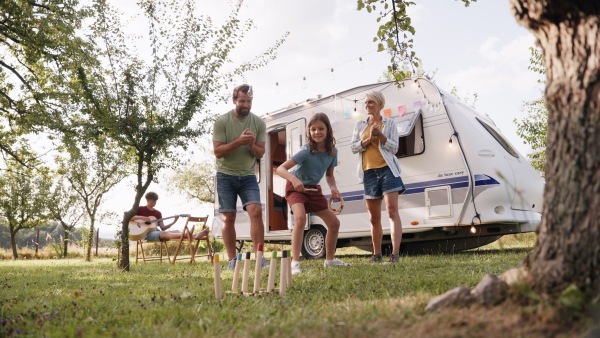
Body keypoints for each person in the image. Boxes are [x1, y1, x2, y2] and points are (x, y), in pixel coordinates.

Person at [277, 112, 350, 274]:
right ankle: (295, 263)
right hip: (295, 188)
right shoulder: (306, 151)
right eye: (313, 129)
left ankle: (330, 260)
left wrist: (333, 188)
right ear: (309, 131)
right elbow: (281, 169)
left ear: (328, 131)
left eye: (321, 129)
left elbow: (329, 175)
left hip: (313, 190)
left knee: (334, 224)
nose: (317, 132)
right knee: (301, 218)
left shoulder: (332, 152)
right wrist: (295, 180)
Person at [213, 84, 267, 269]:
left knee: (256, 212)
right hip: (225, 175)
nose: (246, 104)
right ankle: (232, 260)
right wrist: (238, 142)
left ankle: (260, 257)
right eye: (242, 100)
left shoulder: (259, 123)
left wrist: (251, 144)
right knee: (229, 218)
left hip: (248, 176)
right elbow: (218, 152)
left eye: (249, 101)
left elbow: (260, 154)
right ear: (234, 100)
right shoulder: (222, 122)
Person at [350, 90, 405, 264]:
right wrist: (368, 139)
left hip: (387, 171)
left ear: (380, 104)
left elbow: (395, 148)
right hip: (369, 173)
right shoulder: (360, 125)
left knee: (392, 212)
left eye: (370, 102)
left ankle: (395, 255)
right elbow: (353, 147)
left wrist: (380, 135)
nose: (367, 105)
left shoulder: (389, 123)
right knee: (374, 218)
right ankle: (377, 255)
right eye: (366, 103)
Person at [132, 191, 209, 241]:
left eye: (156, 201)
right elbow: (128, 218)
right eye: (153, 201)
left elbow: (163, 228)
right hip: (143, 235)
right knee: (164, 234)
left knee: (177, 231)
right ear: (147, 200)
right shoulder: (140, 209)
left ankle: (193, 235)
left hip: (155, 232)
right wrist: (141, 217)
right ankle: (193, 235)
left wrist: (174, 221)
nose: (155, 203)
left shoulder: (157, 213)